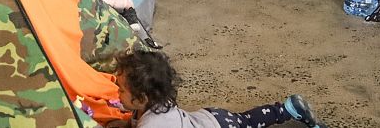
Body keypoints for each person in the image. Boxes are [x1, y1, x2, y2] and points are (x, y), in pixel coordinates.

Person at [107, 50, 329, 128]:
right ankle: (286, 108)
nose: (117, 92)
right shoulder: (153, 103)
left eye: (121, 90)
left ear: (140, 98)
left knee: (247, 123)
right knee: (248, 121)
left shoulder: (155, 125)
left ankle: (288, 110)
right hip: (211, 117)